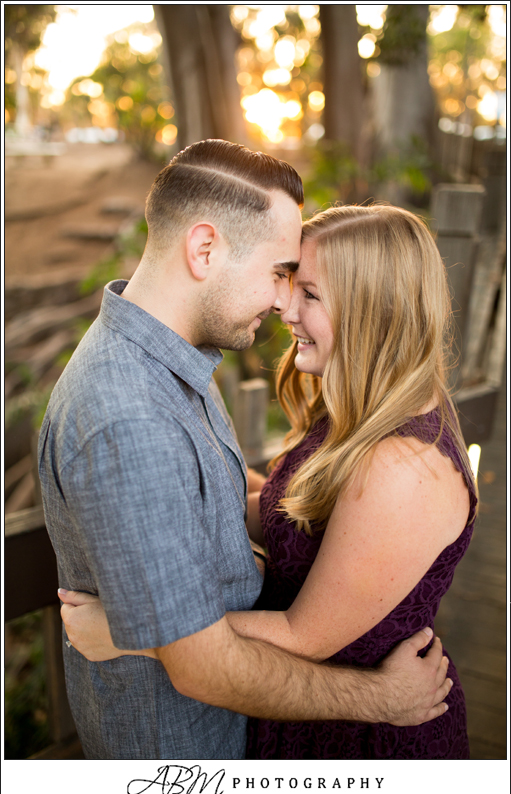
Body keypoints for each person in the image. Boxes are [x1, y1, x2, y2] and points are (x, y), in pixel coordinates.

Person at [40, 140, 451, 760]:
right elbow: (200, 664)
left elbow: (225, 505)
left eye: (303, 285)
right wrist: (382, 697)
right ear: (205, 249)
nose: (283, 301)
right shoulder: (129, 419)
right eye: (279, 272)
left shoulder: (180, 363)